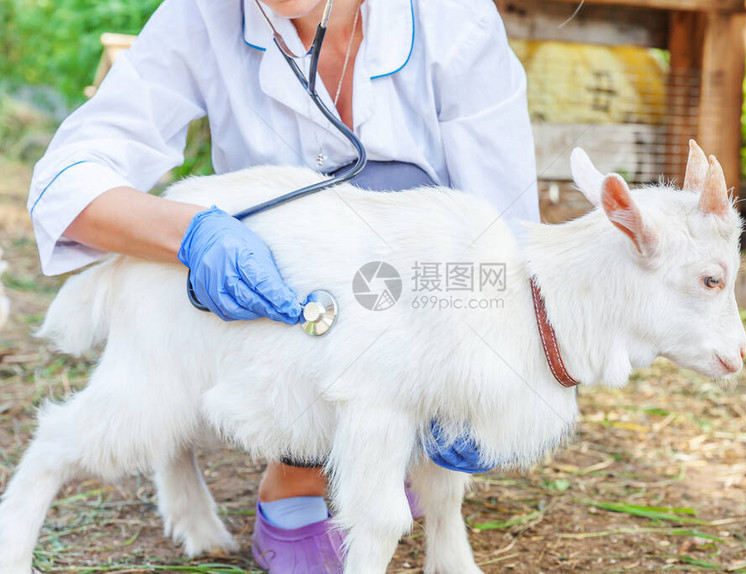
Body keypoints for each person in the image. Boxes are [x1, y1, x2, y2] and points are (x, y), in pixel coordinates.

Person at [28, 0, 539, 571]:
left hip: (416, 295)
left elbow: (507, 228)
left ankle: (405, 451)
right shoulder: (202, 15)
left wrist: (487, 368)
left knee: (401, 199)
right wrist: (192, 233)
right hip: (285, 306)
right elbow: (65, 181)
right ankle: (293, 470)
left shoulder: (456, 19)